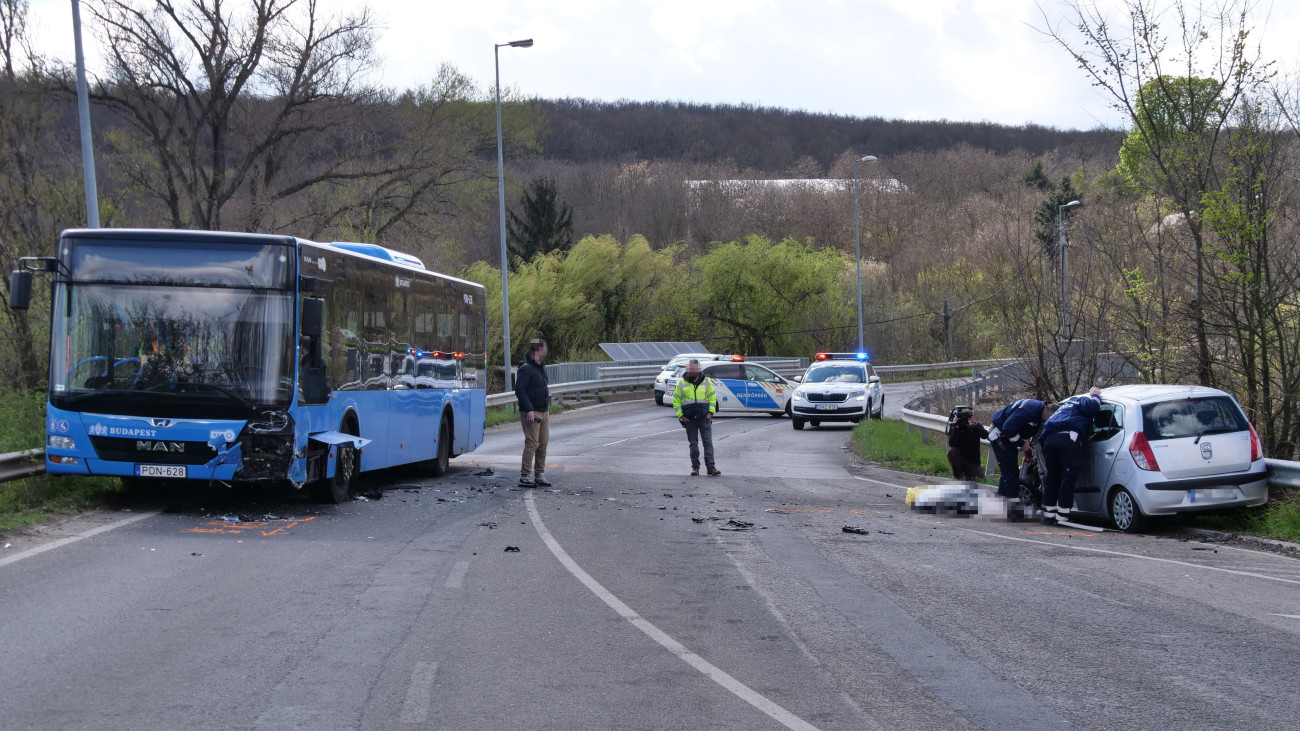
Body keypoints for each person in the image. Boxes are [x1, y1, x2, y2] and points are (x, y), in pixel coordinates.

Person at [1038, 386, 1102, 525]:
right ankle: (1062, 517)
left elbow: (1043, 435)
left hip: (1049, 440)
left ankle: (1048, 516)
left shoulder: (1061, 409)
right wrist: (1096, 395)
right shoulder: (1081, 400)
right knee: (1067, 479)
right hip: (1068, 439)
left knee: (1052, 478)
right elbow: (1093, 407)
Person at [988, 397, 1058, 513]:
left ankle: (1001, 502)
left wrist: (1025, 444)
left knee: (1008, 472)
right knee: (1011, 473)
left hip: (1009, 437)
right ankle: (1011, 507)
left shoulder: (1038, 411)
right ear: (1049, 415)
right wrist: (1022, 443)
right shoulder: (1029, 411)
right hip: (1001, 437)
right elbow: (1008, 428)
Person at [672, 359, 720, 476]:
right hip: (689, 419)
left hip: (704, 417)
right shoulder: (681, 383)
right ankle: (695, 467)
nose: (691, 371)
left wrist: (710, 412)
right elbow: (676, 401)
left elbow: (713, 399)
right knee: (693, 444)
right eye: (690, 369)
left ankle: (710, 467)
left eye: (694, 369)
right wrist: (681, 416)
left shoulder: (707, 382)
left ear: (698, 369)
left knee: (707, 443)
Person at [514, 339, 551, 487]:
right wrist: (528, 409)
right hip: (532, 412)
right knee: (532, 443)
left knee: (542, 444)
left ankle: (539, 474)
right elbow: (520, 390)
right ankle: (525, 475)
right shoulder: (526, 368)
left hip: (543, 410)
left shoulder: (541, 367)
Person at [946, 406, 988, 481]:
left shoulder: (976, 426)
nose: (969, 418)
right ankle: (958, 476)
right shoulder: (957, 427)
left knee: (980, 481)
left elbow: (985, 435)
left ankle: (968, 476)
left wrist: (972, 426)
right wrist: (956, 428)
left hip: (973, 463)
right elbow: (952, 443)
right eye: (967, 415)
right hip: (961, 460)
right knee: (952, 452)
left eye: (971, 415)